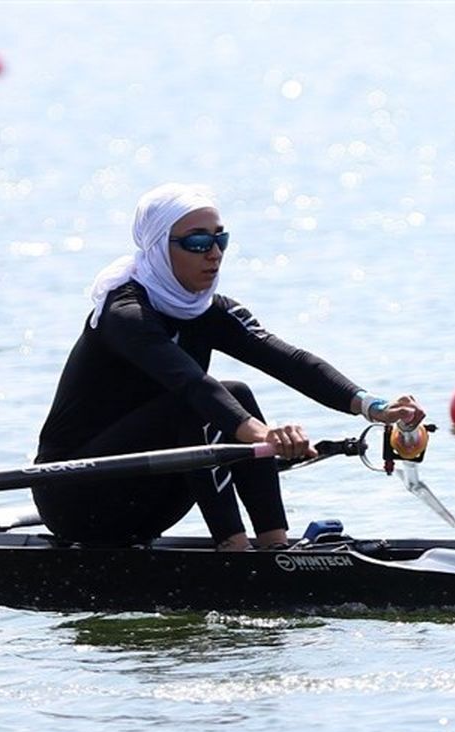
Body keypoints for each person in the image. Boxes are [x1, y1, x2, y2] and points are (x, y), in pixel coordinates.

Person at [33, 182, 425, 551]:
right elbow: (191, 385)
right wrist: (265, 435)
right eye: (198, 242)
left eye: (220, 239)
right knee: (209, 400)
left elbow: (291, 361)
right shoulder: (126, 314)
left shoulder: (212, 312)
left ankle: (275, 547)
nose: (214, 253)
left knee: (236, 395)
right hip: (77, 495)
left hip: (153, 496)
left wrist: (374, 407)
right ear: (157, 248)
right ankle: (236, 553)